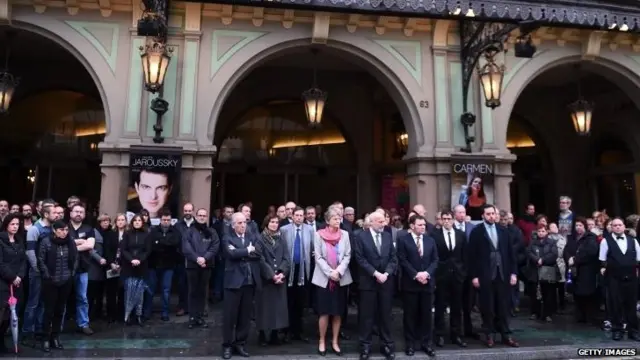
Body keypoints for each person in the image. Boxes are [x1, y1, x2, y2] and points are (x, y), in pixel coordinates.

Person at [467, 204, 519, 348]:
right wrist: (474, 276)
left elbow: (510, 254)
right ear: (483, 215)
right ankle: (489, 334)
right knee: (487, 306)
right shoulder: (477, 232)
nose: (491, 216)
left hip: (502, 273)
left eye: (493, 214)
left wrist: (514, 272)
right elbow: (471, 256)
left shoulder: (503, 231)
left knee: (503, 306)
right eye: (488, 214)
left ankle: (505, 334)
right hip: (485, 274)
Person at [354, 211, 397, 360]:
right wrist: (375, 273)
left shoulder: (387, 236)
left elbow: (393, 258)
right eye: (379, 221)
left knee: (385, 315)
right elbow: (359, 258)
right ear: (371, 222)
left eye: (383, 221)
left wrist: (386, 273)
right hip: (368, 282)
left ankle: (387, 345)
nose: (383, 224)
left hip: (385, 282)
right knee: (367, 316)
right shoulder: (361, 237)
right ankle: (365, 346)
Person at [221, 212, 263, 359]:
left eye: (244, 222)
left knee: (245, 317)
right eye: (239, 223)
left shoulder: (252, 236)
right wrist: (247, 250)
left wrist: (241, 252)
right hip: (233, 283)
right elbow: (230, 254)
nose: (243, 225)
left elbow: (258, 252)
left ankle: (240, 343)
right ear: (233, 225)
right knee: (230, 317)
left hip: (249, 282)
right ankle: (227, 345)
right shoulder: (227, 237)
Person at [311, 208, 352, 356]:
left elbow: (347, 255)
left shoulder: (345, 235)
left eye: (339, 218)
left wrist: (339, 271)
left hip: (341, 278)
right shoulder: (318, 235)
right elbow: (318, 257)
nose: (338, 220)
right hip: (324, 279)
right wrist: (330, 273)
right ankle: (322, 340)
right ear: (328, 220)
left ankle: (335, 341)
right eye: (335, 218)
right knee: (324, 311)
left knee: (337, 312)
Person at [397, 215, 438, 357]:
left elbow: (435, 260)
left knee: (426, 315)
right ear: (412, 226)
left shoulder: (430, 240)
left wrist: (426, 274)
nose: (422, 227)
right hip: (410, 284)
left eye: (423, 225)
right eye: (419, 225)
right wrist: (416, 275)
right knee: (410, 316)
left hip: (427, 284)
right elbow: (402, 260)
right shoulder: (403, 240)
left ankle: (426, 343)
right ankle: (410, 344)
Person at [37, 221, 78, 352]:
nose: (64, 232)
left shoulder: (70, 241)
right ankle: (45, 339)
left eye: (66, 229)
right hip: (50, 281)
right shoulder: (46, 241)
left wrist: (72, 273)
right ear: (54, 230)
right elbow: (41, 260)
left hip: (66, 280)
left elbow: (76, 258)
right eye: (61, 230)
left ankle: (55, 337)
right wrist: (47, 275)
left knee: (60, 311)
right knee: (48, 311)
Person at [599, 217, 640, 341]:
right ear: (611, 227)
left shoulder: (633, 241)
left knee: (631, 305)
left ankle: (634, 331)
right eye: (615, 225)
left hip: (631, 278)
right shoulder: (605, 241)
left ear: (624, 226)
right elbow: (602, 259)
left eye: (620, 225)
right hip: (614, 278)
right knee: (615, 305)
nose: (617, 227)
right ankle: (617, 330)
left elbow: (638, 258)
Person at [432, 211, 467, 348]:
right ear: (440, 220)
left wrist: (463, 273)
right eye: (444, 219)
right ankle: (439, 334)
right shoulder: (435, 236)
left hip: (457, 275)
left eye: (449, 218)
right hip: (441, 275)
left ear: (453, 220)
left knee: (457, 307)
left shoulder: (461, 235)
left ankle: (456, 334)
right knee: (440, 306)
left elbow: (465, 255)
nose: (446, 221)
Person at [280, 206, 314, 343]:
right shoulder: (284, 230)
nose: (299, 218)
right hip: (289, 270)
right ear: (292, 216)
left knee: (301, 303)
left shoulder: (310, 229)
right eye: (297, 215)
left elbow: (312, 248)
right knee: (289, 302)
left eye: (301, 215)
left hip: (303, 270)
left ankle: (299, 331)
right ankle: (287, 331)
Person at [255, 215, 290, 346]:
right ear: (266, 223)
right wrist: (271, 275)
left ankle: (275, 334)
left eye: (276, 222)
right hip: (266, 279)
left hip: (280, 278)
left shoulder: (281, 238)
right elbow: (260, 259)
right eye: (272, 222)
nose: (275, 224)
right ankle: (263, 334)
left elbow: (287, 257)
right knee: (264, 307)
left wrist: (282, 273)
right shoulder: (260, 238)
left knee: (278, 308)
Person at [183, 208, 219, 329]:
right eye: (200, 215)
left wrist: (205, 258)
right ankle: (192, 318)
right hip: (192, 266)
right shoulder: (189, 231)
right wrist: (197, 259)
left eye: (204, 215)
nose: (202, 217)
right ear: (196, 216)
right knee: (192, 291)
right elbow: (186, 247)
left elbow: (215, 246)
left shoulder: (211, 231)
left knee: (202, 292)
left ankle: (200, 317)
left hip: (206, 265)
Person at [564, 218, 599, 324]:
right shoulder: (571, 238)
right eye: (577, 225)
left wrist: (575, 259)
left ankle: (589, 317)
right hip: (574, 271)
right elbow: (566, 250)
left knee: (587, 294)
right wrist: (568, 258)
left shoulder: (591, 238)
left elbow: (590, 252)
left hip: (586, 270)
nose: (578, 228)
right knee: (576, 294)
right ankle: (579, 316)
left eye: (580, 225)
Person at [0, 214, 27, 353]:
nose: (15, 227)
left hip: (17, 282)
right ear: (6, 225)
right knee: (2, 313)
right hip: (3, 283)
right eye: (12, 224)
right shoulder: (1, 240)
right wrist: (11, 276)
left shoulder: (19, 240)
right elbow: (1, 263)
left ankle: (2, 341)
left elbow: (23, 260)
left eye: (17, 224)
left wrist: (19, 276)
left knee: (13, 314)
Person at [120, 214, 152, 326]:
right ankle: (127, 315)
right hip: (129, 266)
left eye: (139, 220)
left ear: (142, 222)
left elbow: (147, 250)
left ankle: (138, 315)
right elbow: (123, 249)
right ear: (132, 222)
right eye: (135, 220)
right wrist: (131, 260)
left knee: (140, 293)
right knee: (129, 291)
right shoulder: (127, 234)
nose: (137, 222)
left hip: (141, 266)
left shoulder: (147, 235)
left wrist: (139, 260)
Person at [526, 225, 558, 322]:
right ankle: (535, 312)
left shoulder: (551, 242)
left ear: (547, 232)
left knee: (548, 293)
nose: (541, 233)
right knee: (535, 293)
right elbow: (529, 252)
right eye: (539, 231)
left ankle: (547, 314)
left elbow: (554, 254)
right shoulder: (533, 242)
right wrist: (536, 259)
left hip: (547, 269)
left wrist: (543, 259)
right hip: (535, 269)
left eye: (543, 231)